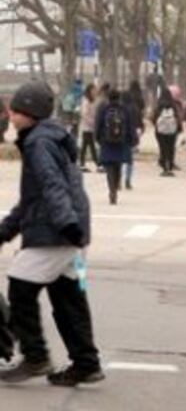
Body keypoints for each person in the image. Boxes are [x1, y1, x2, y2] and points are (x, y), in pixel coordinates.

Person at [0, 81, 103, 386]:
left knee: (20, 288)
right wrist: (5, 231)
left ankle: (36, 357)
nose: (11, 114)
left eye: (15, 109)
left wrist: (66, 225)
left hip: (56, 233)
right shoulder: (52, 137)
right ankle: (86, 363)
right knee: (70, 297)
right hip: (73, 235)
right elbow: (33, 198)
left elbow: (51, 185)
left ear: (28, 113)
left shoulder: (38, 143)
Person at [95, 90, 137, 205]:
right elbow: (129, 126)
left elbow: (98, 125)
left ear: (109, 98)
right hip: (121, 143)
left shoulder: (104, 109)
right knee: (118, 166)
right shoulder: (124, 110)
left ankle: (111, 190)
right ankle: (116, 186)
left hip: (107, 142)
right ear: (119, 98)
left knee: (109, 168)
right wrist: (132, 140)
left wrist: (98, 139)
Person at [153, 86, 182, 177]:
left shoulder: (159, 105)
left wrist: (157, 125)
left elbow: (154, 117)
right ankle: (170, 166)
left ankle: (164, 167)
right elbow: (177, 117)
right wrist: (179, 128)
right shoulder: (173, 105)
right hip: (172, 131)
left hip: (160, 131)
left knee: (163, 149)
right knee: (170, 148)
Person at [120, 90, 143, 191]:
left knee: (119, 159)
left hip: (119, 136)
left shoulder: (119, 108)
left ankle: (118, 179)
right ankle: (128, 180)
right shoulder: (134, 108)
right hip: (130, 137)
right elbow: (139, 123)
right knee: (129, 160)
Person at [77, 85, 98, 172]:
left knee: (86, 146)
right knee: (89, 146)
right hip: (87, 127)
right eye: (93, 90)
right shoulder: (86, 101)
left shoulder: (91, 101)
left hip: (89, 128)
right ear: (89, 91)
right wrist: (92, 123)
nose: (95, 92)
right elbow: (84, 114)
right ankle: (97, 163)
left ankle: (82, 164)